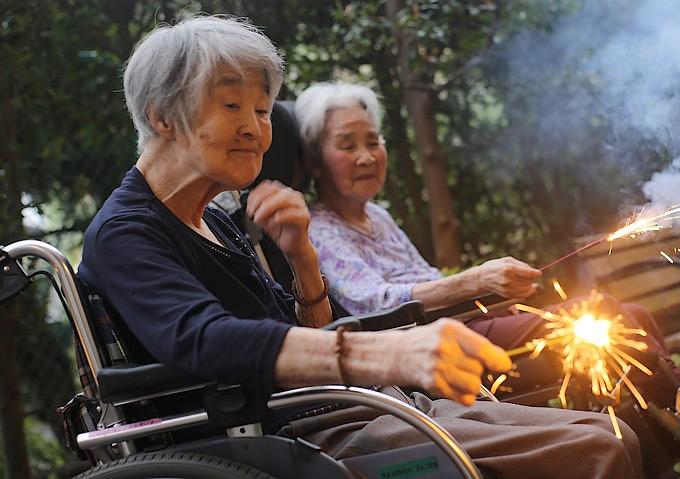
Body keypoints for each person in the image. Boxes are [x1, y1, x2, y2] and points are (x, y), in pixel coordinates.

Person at [78, 15, 645, 479]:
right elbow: (202, 339)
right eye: (232, 107)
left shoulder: (217, 222)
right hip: (279, 436)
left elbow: (307, 326)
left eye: (261, 109)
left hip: (338, 408)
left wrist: (302, 258)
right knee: (596, 453)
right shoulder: (127, 232)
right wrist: (387, 355)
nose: (255, 127)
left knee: (606, 433)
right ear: (162, 117)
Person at [286, 81, 680, 476]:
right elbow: (374, 304)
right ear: (313, 160)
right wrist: (476, 282)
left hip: (465, 324)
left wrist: (488, 292)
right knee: (607, 321)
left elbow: (428, 280)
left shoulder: (380, 218)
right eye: (346, 145)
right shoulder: (319, 229)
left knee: (627, 315)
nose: (367, 155)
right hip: (433, 351)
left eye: (373, 141)